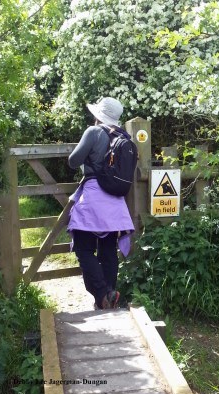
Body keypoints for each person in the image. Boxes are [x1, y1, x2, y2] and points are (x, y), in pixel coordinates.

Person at [67, 97, 135, 310]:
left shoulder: (93, 132)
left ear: (98, 115)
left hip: (94, 198)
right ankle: (108, 297)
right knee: (108, 249)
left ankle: (102, 293)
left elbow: (73, 161)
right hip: (115, 202)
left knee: (83, 248)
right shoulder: (124, 137)